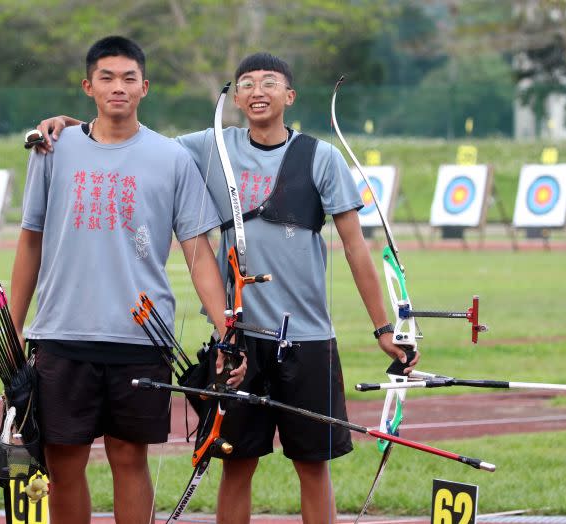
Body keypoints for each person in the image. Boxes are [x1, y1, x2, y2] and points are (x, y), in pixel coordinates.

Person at [32, 52, 419, 524]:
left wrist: (384, 326)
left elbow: (357, 248)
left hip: (308, 338)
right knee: (236, 463)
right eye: (247, 84)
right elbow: (129, 137)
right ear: (235, 97)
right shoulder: (209, 145)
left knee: (313, 465)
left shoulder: (321, 157)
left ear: (289, 96)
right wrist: (74, 127)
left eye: (270, 83)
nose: (258, 91)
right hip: (238, 340)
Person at [10, 36, 245, 524]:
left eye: (128, 78)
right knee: (62, 460)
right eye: (106, 78)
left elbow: (200, 252)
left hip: (141, 335)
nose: (118, 87)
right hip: (61, 332)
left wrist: (227, 328)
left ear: (145, 87)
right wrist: (14, 323)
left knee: (129, 458)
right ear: (88, 86)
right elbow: (30, 239)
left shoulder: (172, 157)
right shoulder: (51, 149)